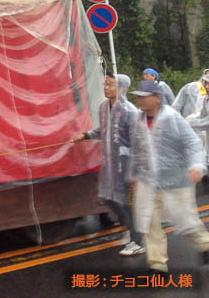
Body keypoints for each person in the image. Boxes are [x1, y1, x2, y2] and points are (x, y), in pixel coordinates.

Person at [127, 79, 209, 273]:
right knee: (149, 222)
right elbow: (137, 150)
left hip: (175, 181)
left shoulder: (171, 117)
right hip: (148, 181)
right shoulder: (138, 121)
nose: (140, 100)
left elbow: (193, 144)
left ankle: (205, 244)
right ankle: (157, 264)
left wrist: (197, 166)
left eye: (144, 96)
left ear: (156, 98)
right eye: (138, 97)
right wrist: (133, 175)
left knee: (186, 221)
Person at [72, 73, 143, 256]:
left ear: (121, 89)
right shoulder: (104, 107)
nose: (106, 87)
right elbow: (103, 130)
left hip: (126, 163)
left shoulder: (130, 111)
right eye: (106, 83)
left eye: (110, 84)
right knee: (108, 198)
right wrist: (86, 135)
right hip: (111, 162)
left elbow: (138, 142)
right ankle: (130, 228)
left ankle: (137, 241)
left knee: (128, 203)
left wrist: (134, 171)